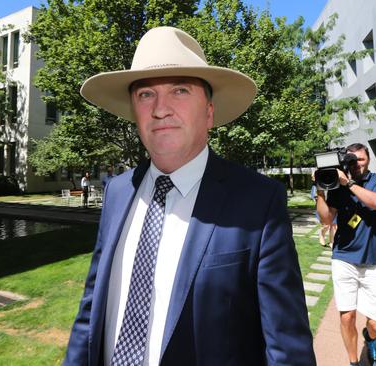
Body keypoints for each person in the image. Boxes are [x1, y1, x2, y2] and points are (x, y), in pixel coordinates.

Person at [64, 26, 315, 366]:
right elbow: (91, 310)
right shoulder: (117, 192)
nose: (160, 109)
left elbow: (287, 349)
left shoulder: (258, 202)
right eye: (145, 95)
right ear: (134, 112)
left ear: (209, 113)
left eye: (180, 90)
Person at [315, 143, 376, 366]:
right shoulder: (335, 186)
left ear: (368, 160)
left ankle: (370, 340)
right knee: (347, 316)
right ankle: (353, 362)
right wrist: (320, 190)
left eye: (360, 159)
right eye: (351, 160)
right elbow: (326, 219)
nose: (356, 164)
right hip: (343, 258)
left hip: (373, 261)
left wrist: (348, 183)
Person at [311, 183, 337, 247]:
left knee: (334, 224)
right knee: (326, 225)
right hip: (322, 201)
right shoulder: (319, 177)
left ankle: (331, 242)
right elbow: (314, 194)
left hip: (334, 201)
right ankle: (322, 234)